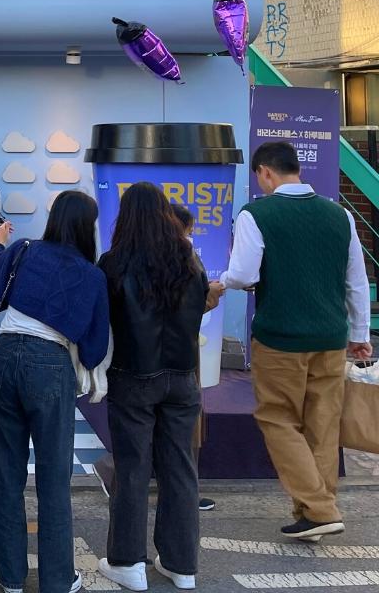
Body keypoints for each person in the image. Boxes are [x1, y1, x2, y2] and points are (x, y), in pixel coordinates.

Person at [210, 141, 373, 542]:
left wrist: (221, 282)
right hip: (331, 338)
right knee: (322, 425)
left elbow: (244, 274)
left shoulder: (257, 213)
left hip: (280, 338)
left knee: (277, 418)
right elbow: (356, 281)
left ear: (265, 172)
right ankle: (312, 512)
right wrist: (360, 335)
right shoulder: (341, 215)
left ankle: (319, 508)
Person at [0, 191, 110, 593]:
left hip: (6, 354)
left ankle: (11, 577)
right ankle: (58, 578)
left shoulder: (24, 250)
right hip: (50, 365)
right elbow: (96, 348)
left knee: (7, 471)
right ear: (88, 226)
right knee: (53, 477)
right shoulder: (92, 275)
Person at [95, 183, 209, 592]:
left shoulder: (114, 262)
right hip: (182, 378)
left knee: (133, 469)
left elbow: (101, 322)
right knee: (181, 469)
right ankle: (182, 565)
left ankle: (129, 563)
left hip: (132, 377)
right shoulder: (189, 261)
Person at [171, 203, 217, 514]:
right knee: (186, 423)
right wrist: (212, 292)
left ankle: (117, 477)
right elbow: (197, 302)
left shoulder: (126, 254)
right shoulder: (185, 257)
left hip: (142, 357)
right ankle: (185, 492)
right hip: (182, 353)